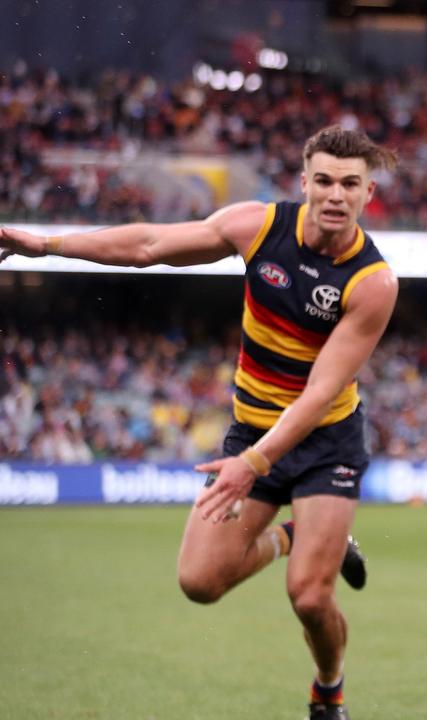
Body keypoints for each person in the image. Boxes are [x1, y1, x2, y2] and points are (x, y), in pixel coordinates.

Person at [0, 126, 399, 720]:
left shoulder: (374, 283)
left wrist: (254, 464)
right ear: (303, 182)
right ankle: (301, 537)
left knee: (309, 596)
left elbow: (320, 394)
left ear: (369, 193)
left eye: (349, 184)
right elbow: (149, 244)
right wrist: (49, 245)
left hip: (324, 441)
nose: (334, 195)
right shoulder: (258, 226)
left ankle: (328, 690)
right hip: (251, 431)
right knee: (199, 582)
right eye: (323, 180)